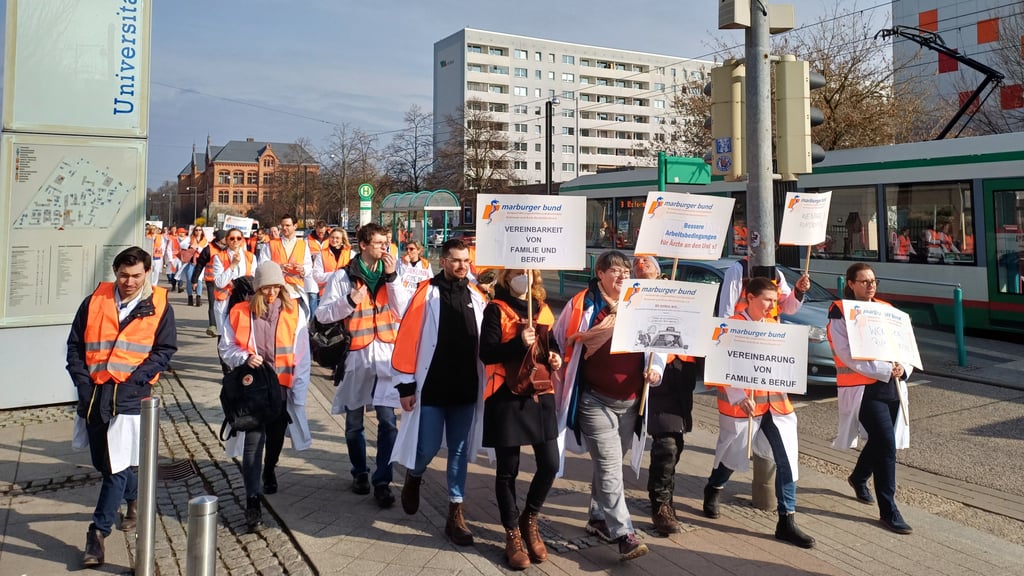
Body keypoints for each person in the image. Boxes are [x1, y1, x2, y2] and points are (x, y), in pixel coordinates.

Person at [66, 247, 177, 567]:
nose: (129, 281)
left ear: (147, 273)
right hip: (95, 395)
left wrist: (137, 379)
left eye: (137, 276)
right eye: (124, 275)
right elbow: (75, 344)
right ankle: (133, 498)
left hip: (130, 397)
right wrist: (82, 381)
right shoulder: (94, 301)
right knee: (105, 463)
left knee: (114, 469)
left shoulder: (158, 305)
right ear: (115, 272)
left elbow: (165, 348)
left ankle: (97, 534)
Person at [552, 250, 663, 562]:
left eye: (625, 270)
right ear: (599, 274)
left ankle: (598, 516)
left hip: (630, 403)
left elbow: (662, 343)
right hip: (593, 400)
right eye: (614, 270)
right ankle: (624, 533)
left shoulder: (641, 303)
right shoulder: (583, 305)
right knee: (610, 465)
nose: (621, 276)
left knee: (611, 463)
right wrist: (556, 356)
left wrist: (657, 371)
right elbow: (559, 339)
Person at [701, 277, 815, 548]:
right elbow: (718, 365)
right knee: (732, 456)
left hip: (775, 407)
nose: (771, 306)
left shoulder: (774, 327)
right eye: (767, 300)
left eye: (775, 301)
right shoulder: (729, 326)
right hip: (743, 409)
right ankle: (714, 487)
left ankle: (786, 520)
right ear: (749, 297)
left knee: (787, 461)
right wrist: (739, 396)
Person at [391, 239, 489, 547]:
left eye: (466, 261)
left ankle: (455, 514)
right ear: (443, 261)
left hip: (465, 386)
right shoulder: (425, 294)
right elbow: (406, 340)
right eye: (456, 260)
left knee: (459, 451)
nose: (462, 265)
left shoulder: (477, 296)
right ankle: (415, 475)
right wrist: (405, 385)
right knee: (428, 446)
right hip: (432, 385)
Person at [316, 223, 408, 507]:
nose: (385, 247)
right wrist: (348, 302)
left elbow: (403, 310)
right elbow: (322, 315)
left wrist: (392, 279)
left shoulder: (393, 272)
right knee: (354, 422)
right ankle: (359, 472)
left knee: (388, 422)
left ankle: (383, 480)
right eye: (380, 243)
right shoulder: (344, 277)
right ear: (364, 245)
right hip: (356, 354)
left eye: (387, 242)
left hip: (386, 355)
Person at [219, 261, 312, 532]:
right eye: (266, 288)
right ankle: (252, 501)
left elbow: (302, 355)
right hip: (253, 389)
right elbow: (227, 348)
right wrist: (245, 357)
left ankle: (269, 468)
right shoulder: (239, 312)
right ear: (257, 289)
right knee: (252, 442)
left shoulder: (295, 312)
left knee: (275, 435)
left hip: (281, 388)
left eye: (275, 288)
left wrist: (299, 393)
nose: (271, 293)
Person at [479, 269, 562, 569]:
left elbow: (552, 345)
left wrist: (556, 357)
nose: (521, 278)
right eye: (515, 273)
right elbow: (486, 353)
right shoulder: (495, 309)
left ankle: (531, 517)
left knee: (551, 463)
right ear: (505, 278)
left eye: (527, 273)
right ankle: (512, 533)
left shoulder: (543, 309)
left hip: (540, 393)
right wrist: (517, 342)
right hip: (506, 393)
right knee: (508, 470)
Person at [827, 263, 914, 535]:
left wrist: (903, 368)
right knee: (886, 444)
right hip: (863, 389)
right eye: (864, 281)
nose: (870, 285)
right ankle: (889, 511)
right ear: (850, 283)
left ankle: (858, 477)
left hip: (892, 387)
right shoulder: (840, 311)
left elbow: (905, 346)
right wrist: (887, 369)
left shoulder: (887, 309)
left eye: (873, 280)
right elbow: (847, 355)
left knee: (879, 440)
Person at [630, 256, 696, 536]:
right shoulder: (630, 297)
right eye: (637, 260)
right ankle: (660, 506)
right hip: (649, 377)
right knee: (666, 444)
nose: (640, 263)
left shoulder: (677, 293)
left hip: (678, 376)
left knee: (676, 443)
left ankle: (666, 496)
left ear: (659, 270)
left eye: (647, 260)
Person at [718, 258, 811, 318]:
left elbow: (788, 308)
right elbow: (726, 310)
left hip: (767, 332)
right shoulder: (738, 270)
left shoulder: (776, 273)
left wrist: (799, 290)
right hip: (742, 331)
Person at [258, 214, 311, 310]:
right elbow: (262, 265)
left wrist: (303, 270)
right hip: (276, 290)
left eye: (287, 225)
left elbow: (308, 265)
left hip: (296, 291)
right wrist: (278, 267)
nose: (284, 228)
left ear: (295, 226)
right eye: (282, 226)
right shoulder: (271, 244)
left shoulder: (303, 244)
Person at [213, 229, 256, 337]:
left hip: (244, 299)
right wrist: (232, 265)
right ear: (226, 240)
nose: (235, 241)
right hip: (225, 301)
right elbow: (220, 283)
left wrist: (236, 282)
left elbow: (253, 279)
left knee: (243, 334)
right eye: (232, 238)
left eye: (238, 238)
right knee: (225, 336)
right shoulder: (219, 257)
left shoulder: (250, 257)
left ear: (242, 240)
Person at [192, 230, 227, 337]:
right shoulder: (209, 249)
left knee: (225, 304)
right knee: (213, 303)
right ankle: (212, 325)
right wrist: (194, 280)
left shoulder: (229, 248)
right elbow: (199, 265)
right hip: (211, 281)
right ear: (220, 238)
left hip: (227, 281)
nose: (227, 239)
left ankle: (225, 325)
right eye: (225, 237)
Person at [311, 227, 354, 297]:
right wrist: (335, 275)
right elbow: (316, 275)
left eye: (337, 238)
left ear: (342, 240)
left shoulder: (351, 254)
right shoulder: (321, 254)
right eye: (332, 237)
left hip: (346, 293)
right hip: (327, 294)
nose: (334, 240)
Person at [179, 227, 206, 306]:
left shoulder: (205, 241)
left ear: (202, 231)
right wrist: (190, 246)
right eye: (196, 230)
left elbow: (205, 251)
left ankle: (198, 298)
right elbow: (182, 245)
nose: (198, 231)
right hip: (189, 262)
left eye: (200, 230)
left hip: (200, 262)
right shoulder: (189, 238)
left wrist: (197, 247)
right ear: (194, 231)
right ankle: (190, 298)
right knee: (190, 279)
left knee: (199, 280)